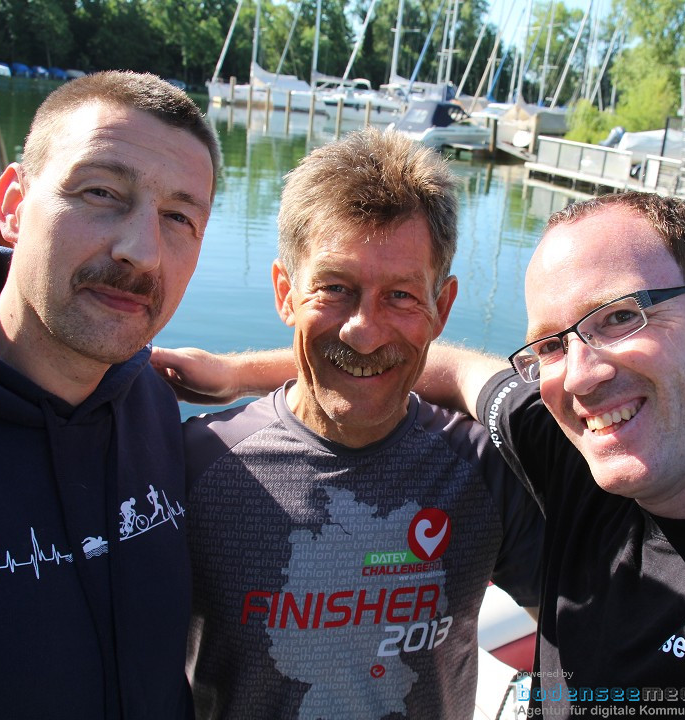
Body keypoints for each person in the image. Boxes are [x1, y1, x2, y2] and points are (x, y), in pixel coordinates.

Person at [155, 191, 685, 718]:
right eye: (551, 343)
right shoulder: (576, 462)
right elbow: (427, 361)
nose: (581, 374)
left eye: (621, 316)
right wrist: (238, 371)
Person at [157, 128, 542, 720]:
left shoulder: (485, 473)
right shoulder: (197, 465)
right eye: (335, 288)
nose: (364, 330)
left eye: (402, 296)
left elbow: (589, 635)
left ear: (442, 307)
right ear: (286, 292)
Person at [0, 71, 220, 719]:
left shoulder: (153, 407)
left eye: (179, 217)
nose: (141, 251)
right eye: (101, 191)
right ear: (14, 204)